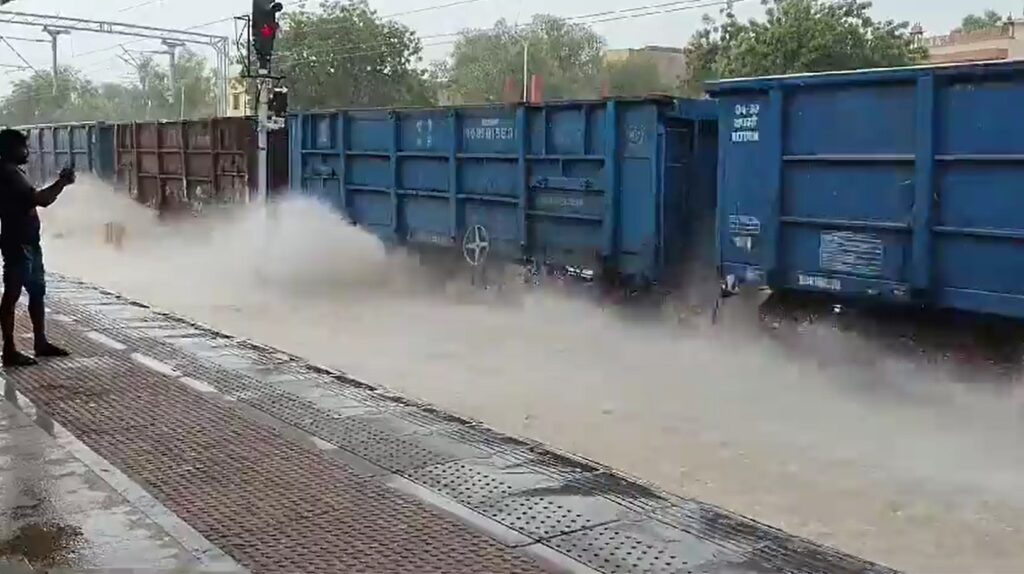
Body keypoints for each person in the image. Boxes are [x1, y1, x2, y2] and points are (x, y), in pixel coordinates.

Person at [0, 128, 75, 367]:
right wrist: (62, 183)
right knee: (12, 295)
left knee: (36, 292)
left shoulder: (11, 172)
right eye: (24, 147)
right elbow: (41, 200)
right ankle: (10, 350)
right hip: (19, 244)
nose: (27, 151)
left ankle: (40, 342)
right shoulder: (9, 174)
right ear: (10, 149)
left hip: (27, 242)